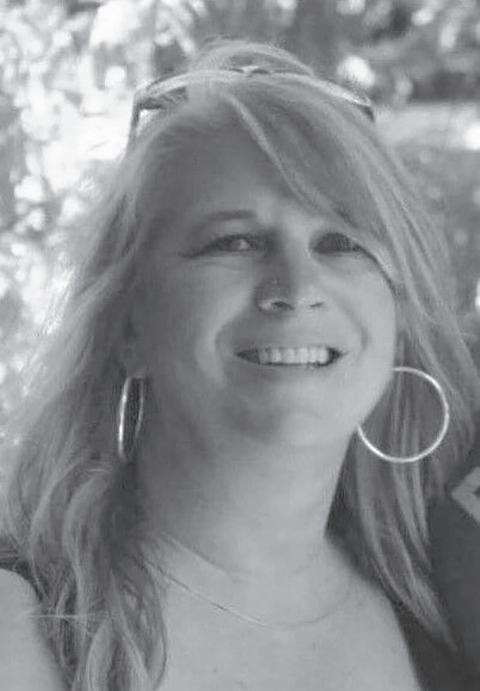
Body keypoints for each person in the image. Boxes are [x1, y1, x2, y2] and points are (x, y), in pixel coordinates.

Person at [0, 38, 480, 691]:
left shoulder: (449, 610)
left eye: (341, 243)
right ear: (128, 325)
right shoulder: (24, 626)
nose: (297, 286)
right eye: (236, 241)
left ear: (398, 322)